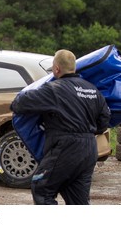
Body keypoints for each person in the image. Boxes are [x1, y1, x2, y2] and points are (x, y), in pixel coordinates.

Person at [10, 49, 110, 205]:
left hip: (66, 147)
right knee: (78, 200)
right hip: (89, 149)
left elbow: (18, 105)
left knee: (41, 188)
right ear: (74, 68)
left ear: (56, 69)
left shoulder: (54, 90)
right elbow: (104, 121)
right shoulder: (92, 89)